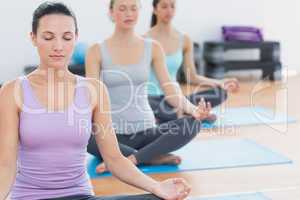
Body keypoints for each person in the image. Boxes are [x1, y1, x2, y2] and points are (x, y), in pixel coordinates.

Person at [0, 2, 191, 200]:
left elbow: (114, 159)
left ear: (76, 38)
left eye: (66, 37)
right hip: (30, 197)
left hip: (80, 194)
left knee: (160, 198)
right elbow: (5, 165)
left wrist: (157, 187)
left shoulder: (94, 90)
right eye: (48, 37)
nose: (58, 46)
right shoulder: (13, 90)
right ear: (33, 37)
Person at [86, 0, 213, 174]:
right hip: (110, 134)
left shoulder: (152, 47)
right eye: (122, 9)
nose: (128, 14)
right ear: (111, 12)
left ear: (139, 11)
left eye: (133, 8)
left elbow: (170, 90)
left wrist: (193, 110)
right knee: (81, 133)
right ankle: (151, 157)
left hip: (146, 132)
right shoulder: (96, 50)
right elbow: (92, 95)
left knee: (193, 123)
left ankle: (130, 159)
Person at [146, 0, 239, 123]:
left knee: (220, 93)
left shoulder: (184, 39)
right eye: (164, 6)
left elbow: (192, 77)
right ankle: (186, 114)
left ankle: (186, 113)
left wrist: (220, 82)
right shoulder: (145, 40)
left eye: (172, 6)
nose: (169, 10)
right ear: (155, 9)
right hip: (153, 98)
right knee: (171, 112)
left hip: (176, 98)